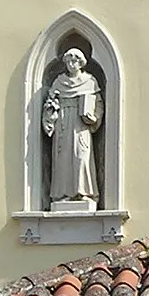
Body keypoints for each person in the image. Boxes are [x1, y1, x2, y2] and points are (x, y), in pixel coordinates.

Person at [42, 47, 102, 208]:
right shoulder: (59, 82)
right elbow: (51, 103)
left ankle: (83, 193)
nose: (71, 64)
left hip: (80, 125)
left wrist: (93, 117)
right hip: (63, 124)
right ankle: (62, 195)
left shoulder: (90, 81)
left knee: (81, 157)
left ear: (81, 62)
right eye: (68, 61)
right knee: (63, 159)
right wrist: (51, 109)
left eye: (74, 60)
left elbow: (98, 104)